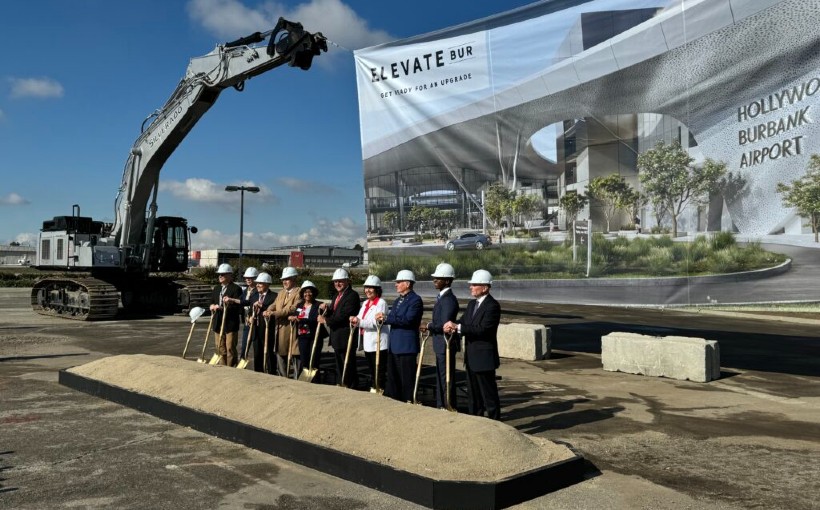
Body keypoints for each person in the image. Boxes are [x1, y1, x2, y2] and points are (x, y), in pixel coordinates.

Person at [444, 269, 501, 420]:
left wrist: (459, 328)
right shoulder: (471, 305)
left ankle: (496, 424)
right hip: (471, 358)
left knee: (489, 396)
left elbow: (484, 330)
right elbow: (463, 322)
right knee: (474, 397)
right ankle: (476, 422)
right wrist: (453, 325)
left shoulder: (492, 306)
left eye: (474, 284)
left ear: (485, 287)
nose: (471, 287)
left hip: (484, 359)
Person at [376, 269, 423, 403]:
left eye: (398, 282)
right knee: (393, 378)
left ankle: (408, 402)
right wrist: (388, 318)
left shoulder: (415, 300)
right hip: (395, 345)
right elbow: (395, 317)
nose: (396, 285)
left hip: (407, 347)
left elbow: (408, 320)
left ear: (407, 284)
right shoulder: (398, 301)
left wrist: (387, 318)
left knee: (407, 379)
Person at [420, 263, 460, 410]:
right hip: (440, 344)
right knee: (441, 376)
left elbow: (444, 324)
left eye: (439, 278)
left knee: (445, 377)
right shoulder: (442, 297)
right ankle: (441, 405)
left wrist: (429, 326)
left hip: (446, 344)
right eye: (435, 278)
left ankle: (447, 405)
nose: (435, 280)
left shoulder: (448, 299)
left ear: (448, 281)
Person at [319, 268, 361, 388]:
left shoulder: (352, 296)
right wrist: (326, 310)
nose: (337, 284)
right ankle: (341, 383)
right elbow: (334, 313)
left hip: (346, 336)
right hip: (337, 336)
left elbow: (343, 316)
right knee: (340, 363)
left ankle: (351, 386)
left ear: (347, 281)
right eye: (335, 281)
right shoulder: (337, 296)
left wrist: (325, 320)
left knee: (348, 364)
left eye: (340, 281)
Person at [350, 275, 388, 392]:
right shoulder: (366, 303)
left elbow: (377, 323)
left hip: (378, 343)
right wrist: (354, 319)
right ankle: (374, 387)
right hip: (368, 342)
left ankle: (380, 389)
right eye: (366, 288)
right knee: (371, 369)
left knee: (379, 370)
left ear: (377, 289)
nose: (368, 291)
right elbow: (360, 318)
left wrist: (359, 322)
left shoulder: (381, 303)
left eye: (371, 288)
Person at [263, 267, 300, 377]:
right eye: (283, 279)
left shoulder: (299, 292)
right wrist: (269, 310)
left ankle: (297, 377)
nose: (284, 282)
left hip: (292, 327)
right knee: (280, 352)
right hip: (280, 328)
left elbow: (293, 308)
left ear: (294, 279)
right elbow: (274, 304)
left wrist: (275, 314)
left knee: (294, 353)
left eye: (287, 279)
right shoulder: (281, 293)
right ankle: (283, 377)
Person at [290, 280, 325, 382]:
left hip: (314, 336)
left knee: (314, 359)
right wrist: (292, 317)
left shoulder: (318, 305)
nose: (307, 294)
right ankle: (306, 380)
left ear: (313, 293)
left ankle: (316, 381)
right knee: (304, 359)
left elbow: (315, 319)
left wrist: (300, 319)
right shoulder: (300, 305)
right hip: (302, 336)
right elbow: (296, 315)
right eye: (305, 292)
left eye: (309, 292)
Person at [209, 263, 243, 367]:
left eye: (222, 274)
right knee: (220, 347)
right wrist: (211, 306)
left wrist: (224, 308)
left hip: (230, 323)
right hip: (218, 322)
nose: (220, 276)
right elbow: (211, 301)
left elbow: (238, 307)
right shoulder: (216, 288)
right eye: (219, 274)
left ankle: (231, 368)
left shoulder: (236, 289)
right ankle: (222, 368)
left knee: (229, 348)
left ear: (229, 275)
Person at [249, 272, 277, 373]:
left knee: (269, 354)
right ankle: (258, 373)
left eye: (260, 283)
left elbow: (274, 312)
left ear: (267, 284)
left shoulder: (274, 296)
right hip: (255, 331)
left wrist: (263, 307)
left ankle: (271, 373)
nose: (257, 285)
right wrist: (249, 318)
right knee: (257, 354)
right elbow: (249, 312)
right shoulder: (254, 296)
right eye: (257, 283)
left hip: (267, 330)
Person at [238, 266, 259, 363]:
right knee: (244, 345)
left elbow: (248, 302)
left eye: (251, 278)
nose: (248, 280)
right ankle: (243, 361)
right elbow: (242, 301)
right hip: (246, 322)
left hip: (255, 323)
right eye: (246, 278)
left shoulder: (258, 291)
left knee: (257, 346)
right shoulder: (245, 290)